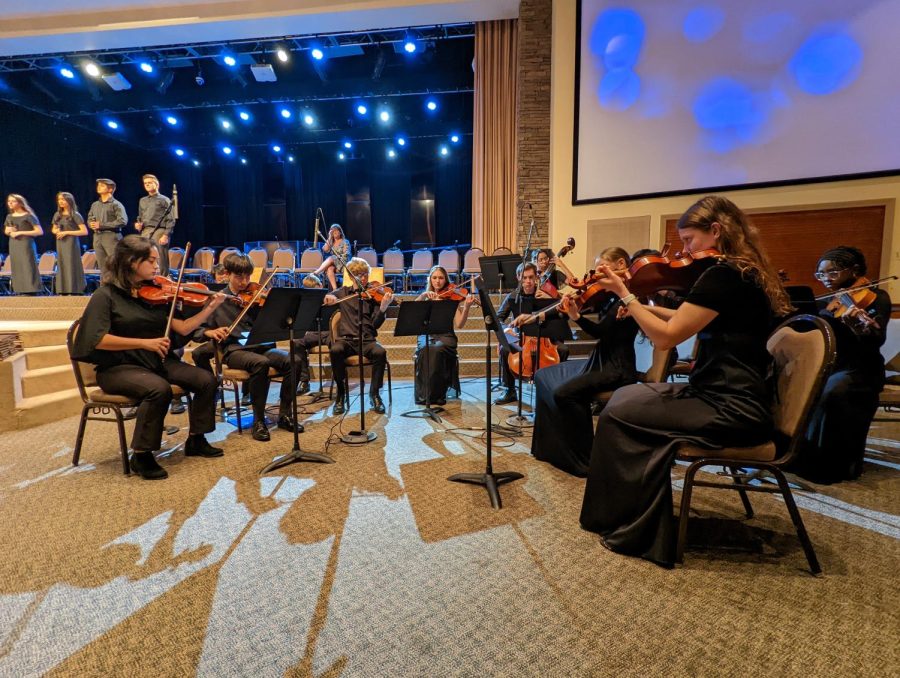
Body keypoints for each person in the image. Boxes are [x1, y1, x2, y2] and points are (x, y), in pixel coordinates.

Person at [579, 195, 792, 568]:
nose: (684, 251)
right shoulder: (744, 271)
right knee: (628, 399)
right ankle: (632, 515)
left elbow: (667, 338)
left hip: (730, 406)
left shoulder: (724, 275)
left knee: (618, 411)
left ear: (716, 231)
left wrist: (626, 296)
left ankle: (636, 528)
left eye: (690, 240)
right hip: (731, 394)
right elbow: (683, 317)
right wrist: (642, 304)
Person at [71, 235, 227, 480]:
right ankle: (141, 454)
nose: (157, 266)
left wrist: (210, 308)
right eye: (151, 261)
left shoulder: (152, 294)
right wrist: (145, 342)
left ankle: (197, 439)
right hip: (118, 368)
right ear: (132, 262)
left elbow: (184, 328)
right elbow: (96, 339)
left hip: (154, 363)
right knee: (159, 389)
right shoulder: (106, 296)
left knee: (206, 380)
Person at [530, 247, 639, 476]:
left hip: (616, 367)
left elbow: (601, 332)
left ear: (620, 264)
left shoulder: (629, 298)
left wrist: (576, 317)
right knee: (543, 375)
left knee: (564, 393)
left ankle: (587, 457)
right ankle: (549, 448)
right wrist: (548, 313)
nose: (596, 275)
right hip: (600, 359)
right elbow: (580, 302)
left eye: (601, 268)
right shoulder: (610, 296)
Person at [797, 246, 891, 483]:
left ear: (854, 270)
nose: (826, 279)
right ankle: (802, 457)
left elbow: (876, 338)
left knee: (831, 392)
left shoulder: (876, 298)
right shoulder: (829, 301)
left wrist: (858, 325)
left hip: (860, 368)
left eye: (833, 273)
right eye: (821, 274)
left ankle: (831, 466)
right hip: (832, 365)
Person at [194, 252, 304, 442]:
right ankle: (258, 421)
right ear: (227, 274)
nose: (245, 282)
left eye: (247, 276)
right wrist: (209, 333)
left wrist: (271, 305)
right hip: (234, 350)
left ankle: (285, 415)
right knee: (259, 364)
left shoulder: (255, 296)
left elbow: (275, 321)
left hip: (261, 345)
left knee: (294, 360)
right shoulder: (217, 300)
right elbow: (196, 329)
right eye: (239, 277)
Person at [494, 261, 569, 405]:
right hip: (522, 338)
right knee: (505, 350)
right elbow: (498, 319)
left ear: (536, 278)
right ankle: (510, 391)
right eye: (524, 278)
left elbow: (563, 311)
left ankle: (557, 389)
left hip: (546, 338)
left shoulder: (545, 293)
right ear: (518, 277)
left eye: (531, 277)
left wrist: (549, 299)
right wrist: (506, 329)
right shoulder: (513, 296)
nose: (528, 281)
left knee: (564, 350)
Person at [325, 257, 393, 415]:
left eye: (365, 274)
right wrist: (328, 297)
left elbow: (375, 325)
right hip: (347, 341)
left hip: (367, 341)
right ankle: (341, 394)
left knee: (380, 352)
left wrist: (382, 309)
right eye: (359, 274)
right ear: (351, 276)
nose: (363, 278)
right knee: (335, 350)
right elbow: (327, 297)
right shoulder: (342, 293)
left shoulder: (372, 297)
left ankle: (374, 394)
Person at [413, 265, 477, 405]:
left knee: (437, 349)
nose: (437, 281)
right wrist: (423, 295)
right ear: (430, 279)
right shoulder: (426, 296)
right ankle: (425, 394)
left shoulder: (452, 297)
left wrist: (466, 307)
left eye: (441, 278)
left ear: (445, 280)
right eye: (434, 278)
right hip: (427, 334)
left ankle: (438, 393)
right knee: (426, 349)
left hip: (446, 335)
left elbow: (459, 324)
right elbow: (412, 312)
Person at [135, 174, 175, 278]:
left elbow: (171, 219)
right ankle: (146, 279)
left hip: (159, 231)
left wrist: (166, 235)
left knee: (160, 257)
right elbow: (140, 216)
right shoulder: (142, 200)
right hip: (145, 231)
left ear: (156, 184)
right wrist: (138, 224)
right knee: (143, 256)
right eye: (145, 183)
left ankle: (163, 279)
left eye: (150, 183)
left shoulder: (164, 200)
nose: (147, 185)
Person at [3, 194, 43, 295]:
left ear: (20, 203)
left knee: (27, 265)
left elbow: (39, 231)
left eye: (13, 201)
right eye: (9, 201)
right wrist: (9, 231)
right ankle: (19, 289)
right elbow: (6, 230)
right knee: (17, 265)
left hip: (26, 244)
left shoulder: (28, 216)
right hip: (14, 244)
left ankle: (31, 289)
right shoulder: (9, 216)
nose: (10, 203)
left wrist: (21, 232)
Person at [86, 178, 127, 276]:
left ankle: (118, 288)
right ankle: (105, 289)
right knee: (102, 266)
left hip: (111, 236)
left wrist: (102, 225)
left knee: (115, 263)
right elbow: (90, 218)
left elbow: (123, 221)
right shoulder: (95, 204)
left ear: (110, 189)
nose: (99, 187)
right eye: (98, 185)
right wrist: (91, 224)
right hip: (97, 237)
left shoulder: (116, 204)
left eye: (102, 185)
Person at [51, 192, 87, 295]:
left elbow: (84, 231)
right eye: (59, 200)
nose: (60, 201)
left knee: (71, 264)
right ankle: (63, 289)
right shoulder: (57, 215)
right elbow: (53, 228)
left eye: (63, 199)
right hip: (60, 242)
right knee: (62, 264)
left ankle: (74, 289)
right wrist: (56, 231)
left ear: (69, 201)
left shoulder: (75, 215)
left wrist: (67, 232)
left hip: (71, 243)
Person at [314, 224, 351, 290]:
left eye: (336, 230)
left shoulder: (345, 241)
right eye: (332, 231)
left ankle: (317, 272)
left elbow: (346, 254)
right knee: (329, 269)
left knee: (331, 257)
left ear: (340, 232)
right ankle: (335, 289)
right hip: (335, 264)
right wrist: (330, 237)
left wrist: (335, 257)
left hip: (344, 263)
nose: (334, 232)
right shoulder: (331, 242)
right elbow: (325, 249)